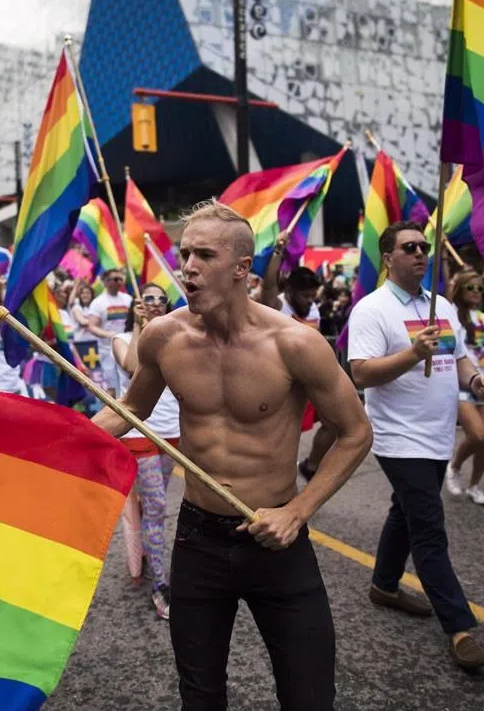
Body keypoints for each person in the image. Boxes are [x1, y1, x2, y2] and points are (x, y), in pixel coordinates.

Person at [92, 201, 372, 711]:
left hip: (276, 542)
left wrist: (298, 511)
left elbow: (354, 433)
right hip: (198, 539)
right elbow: (130, 410)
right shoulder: (164, 337)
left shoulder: (295, 343)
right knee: (200, 696)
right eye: (184, 254)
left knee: (309, 696)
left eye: (204, 255)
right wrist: (57, 439)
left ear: (243, 268)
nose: (188, 267)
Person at [347, 221, 484, 671]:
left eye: (423, 246)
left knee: (405, 511)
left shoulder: (443, 305)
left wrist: (476, 380)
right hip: (398, 438)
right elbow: (360, 373)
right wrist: (413, 353)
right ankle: (459, 627)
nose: (419, 253)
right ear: (388, 257)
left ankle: (384, 585)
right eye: (408, 247)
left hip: (436, 435)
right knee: (429, 529)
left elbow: (460, 354)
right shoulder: (371, 310)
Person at [111, 283, 182, 619]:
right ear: (137, 304)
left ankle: (141, 538)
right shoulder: (120, 338)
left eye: (160, 298)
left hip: (174, 435)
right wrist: (141, 327)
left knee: (152, 503)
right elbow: (130, 367)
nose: (155, 302)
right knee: (156, 506)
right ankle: (160, 584)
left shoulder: (175, 339)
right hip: (139, 434)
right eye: (148, 297)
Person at [444, 271, 484, 506]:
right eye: (470, 288)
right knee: (476, 435)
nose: (476, 292)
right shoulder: (451, 317)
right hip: (462, 383)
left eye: (480, 289)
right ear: (460, 290)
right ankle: (454, 467)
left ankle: (474, 485)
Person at [87, 269, 134, 396]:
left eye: (120, 279)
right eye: (115, 279)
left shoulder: (128, 299)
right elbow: (92, 326)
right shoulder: (98, 302)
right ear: (107, 282)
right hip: (107, 350)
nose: (119, 282)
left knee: (129, 385)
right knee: (111, 389)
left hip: (126, 348)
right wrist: (109, 335)